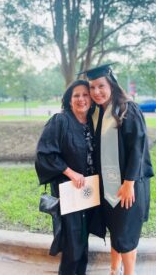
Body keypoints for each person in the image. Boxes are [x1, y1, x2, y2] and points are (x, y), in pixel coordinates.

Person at [79, 64, 154, 275]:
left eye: (101, 86)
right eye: (92, 87)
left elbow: (138, 149)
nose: (96, 92)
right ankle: (114, 269)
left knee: (126, 233)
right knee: (115, 228)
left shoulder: (128, 109)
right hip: (107, 185)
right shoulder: (98, 113)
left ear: (111, 84)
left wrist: (129, 182)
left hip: (128, 184)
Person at [35, 80, 105, 275]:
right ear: (69, 99)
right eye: (76, 95)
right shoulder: (60, 121)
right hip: (69, 190)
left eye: (85, 95)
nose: (81, 99)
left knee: (82, 241)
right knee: (72, 243)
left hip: (89, 191)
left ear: (91, 99)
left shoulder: (93, 122)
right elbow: (45, 154)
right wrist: (70, 172)